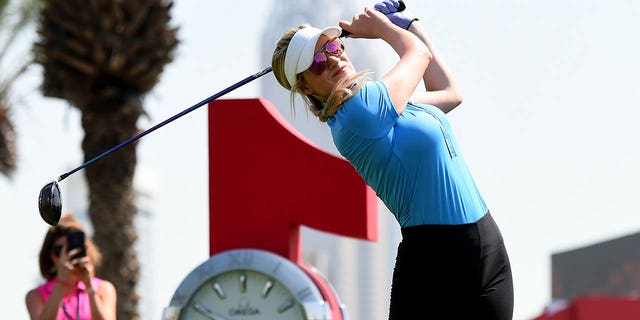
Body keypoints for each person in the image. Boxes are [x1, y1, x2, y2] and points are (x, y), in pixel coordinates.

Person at [271, 1, 514, 319]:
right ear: (305, 87)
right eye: (317, 61)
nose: (332, 58)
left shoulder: (386, 105)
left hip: (487, 246)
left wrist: (411, 25)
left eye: (331, 46)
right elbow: (418, 55)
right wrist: (382, 29)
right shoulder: (358, 113)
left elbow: (449, 92)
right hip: (434, 262)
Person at [26, 213, 117, 320]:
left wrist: (89, 286)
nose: (67, 255)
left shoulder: (103, 289)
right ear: (49, 256)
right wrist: (60, 284)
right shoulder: (36, 296)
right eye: (59, 250)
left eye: (71, 249)